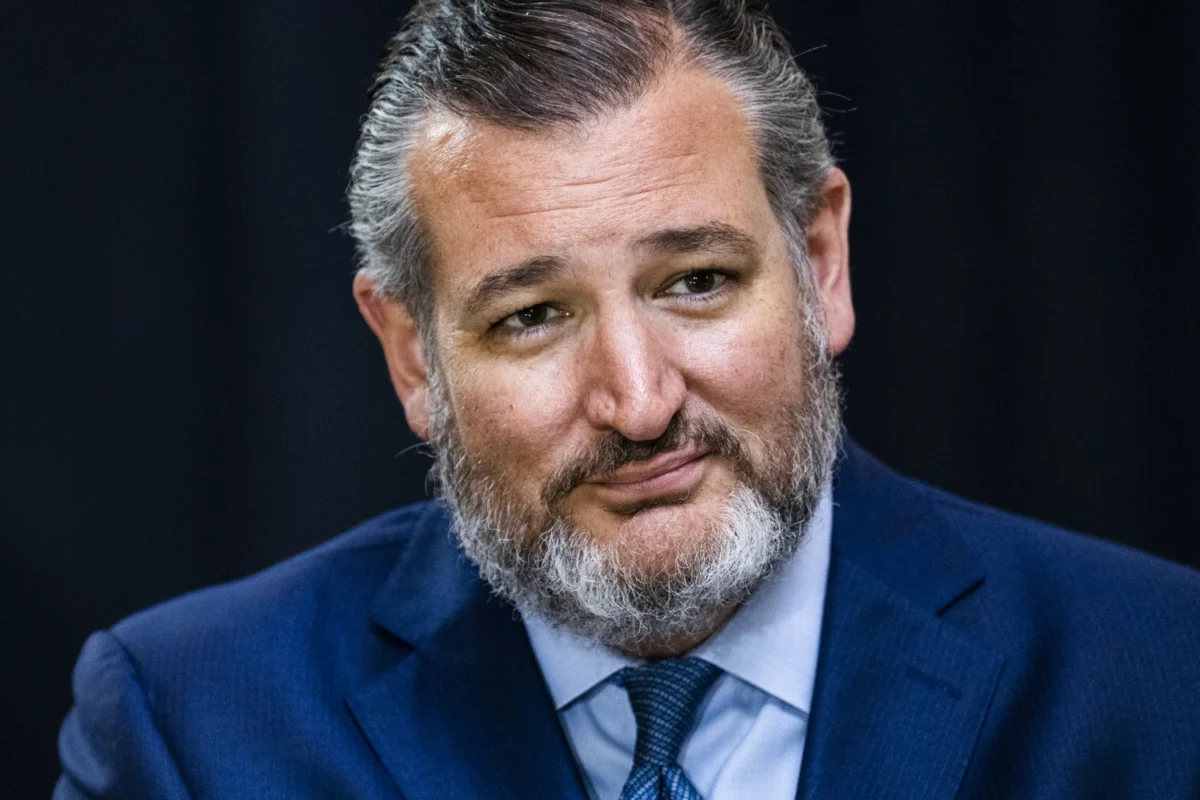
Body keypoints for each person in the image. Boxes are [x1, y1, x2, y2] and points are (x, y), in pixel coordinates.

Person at [55, 1, 1200, 798]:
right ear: (413, 356)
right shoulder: (192, 729)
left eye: (696, 282)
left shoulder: (1160, 680)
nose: (640, 401)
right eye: (532, 316)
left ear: (821, 262)